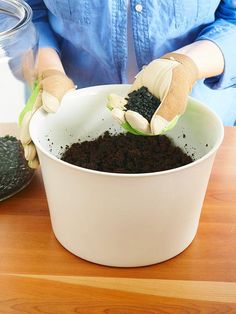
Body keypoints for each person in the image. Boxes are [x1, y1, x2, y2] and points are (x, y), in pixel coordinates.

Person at [21, 0, 236, 167]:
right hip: (70, 116)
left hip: (205, 128)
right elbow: (25, 12)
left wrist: (188, 63)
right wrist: (48, 71)